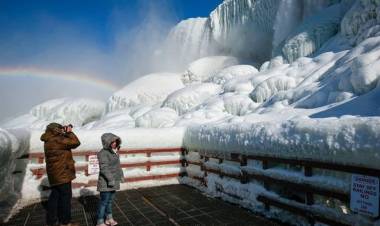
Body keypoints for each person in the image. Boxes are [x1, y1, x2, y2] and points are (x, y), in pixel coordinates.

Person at [40, 122, 81, 226]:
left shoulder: (48, 139)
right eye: (60, 128)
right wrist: (69, 132)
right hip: (62, 173)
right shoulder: (58, 140)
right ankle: (65, 222)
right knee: (65, 198)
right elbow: (75, 142)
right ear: (55, 130)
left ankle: (52, 221)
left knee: (55, 196)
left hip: (54, 174)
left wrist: (64, 132)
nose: (62, 130)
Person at [96, 133, 124, 226]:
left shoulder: (114, 152)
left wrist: (121, 175)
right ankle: (100, 221)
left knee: (110, 201)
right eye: (112, 141)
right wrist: (110, 179)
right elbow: (104, 168)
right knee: (104, 202)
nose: (115, 143)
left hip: (113, 181)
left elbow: (118, 166)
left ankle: (109, 218)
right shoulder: (102, 153)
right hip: (105, 182)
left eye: (115, 141)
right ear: (107, 142)